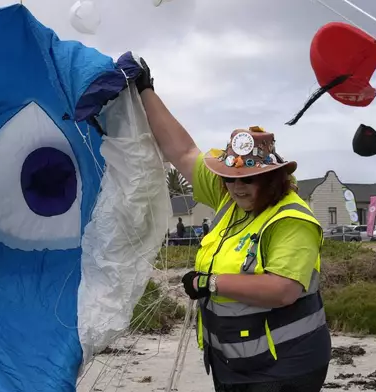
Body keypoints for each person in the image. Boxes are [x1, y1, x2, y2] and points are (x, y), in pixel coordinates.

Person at [133, 58, 331, 392]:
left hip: (283, 368)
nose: (238, 186)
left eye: (249, 179)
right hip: (233, 361)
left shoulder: (291, 219)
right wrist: (145, 90)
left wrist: (211, 283)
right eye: (230, 178)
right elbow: (181, 151)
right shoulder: (231, 197)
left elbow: (284, 290)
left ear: (272, 177)